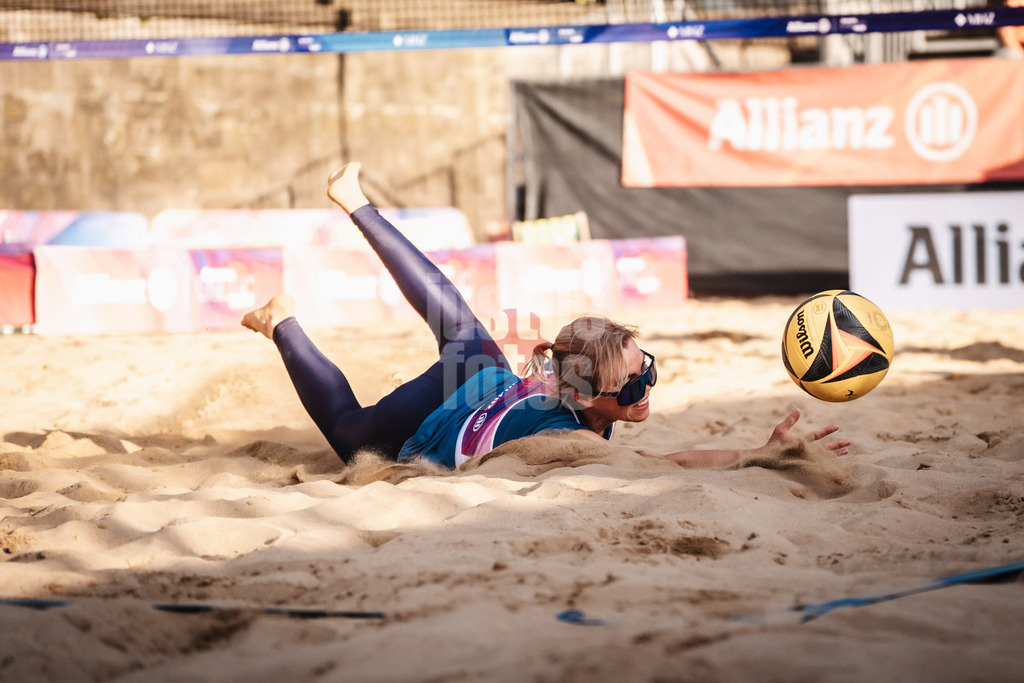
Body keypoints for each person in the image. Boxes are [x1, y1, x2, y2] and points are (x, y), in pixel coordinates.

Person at [242, 163, 851, 471]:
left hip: (487, 377)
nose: (644, 390)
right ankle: (281, 324)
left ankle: (357, 204)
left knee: (457, 320)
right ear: (583, 396)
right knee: (349, 433)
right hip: (433, 421)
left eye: (646, 370)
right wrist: (755, 454)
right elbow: (668, 465)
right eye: (630, 386)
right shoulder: (576, 439)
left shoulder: (571, 382)